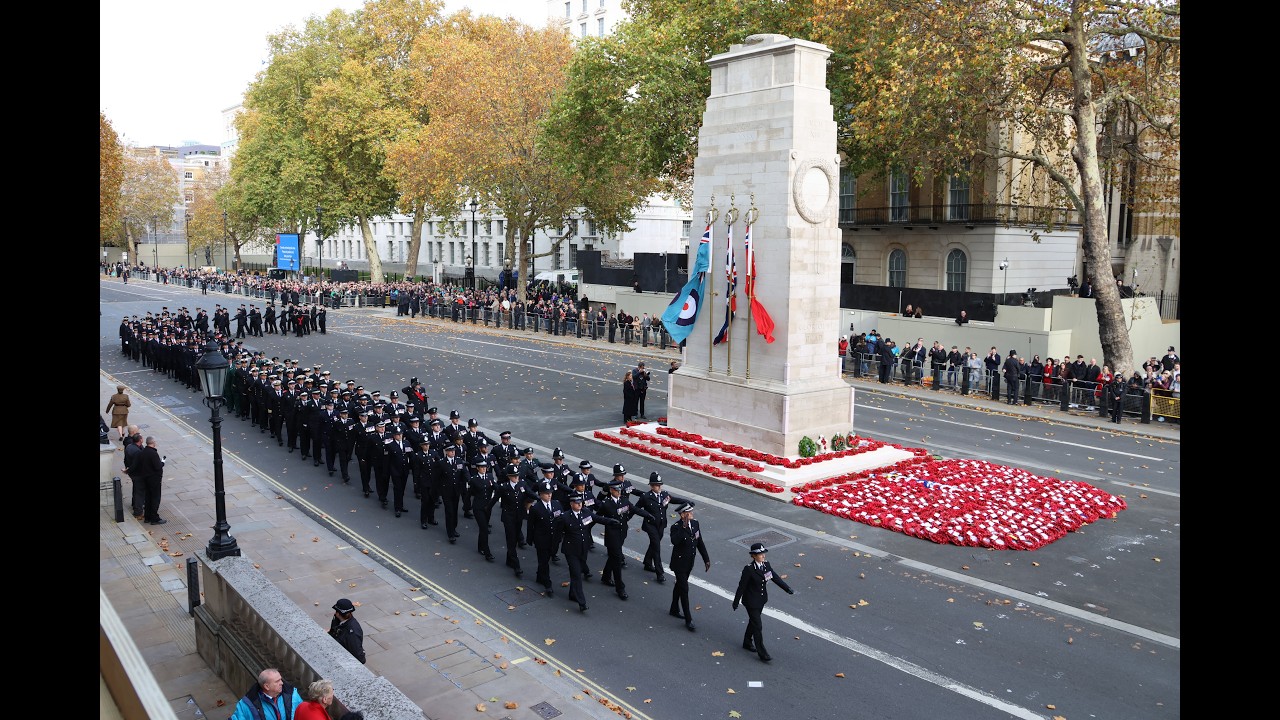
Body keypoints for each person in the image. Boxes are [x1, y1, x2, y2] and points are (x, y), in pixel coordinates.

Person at [732, 543, 794, 663]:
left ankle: (746, 642)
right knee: (758, 625)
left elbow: (774, 577)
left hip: (761, 600)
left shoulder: (766, 566)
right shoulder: (749, 569)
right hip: (750, 602)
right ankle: (762, 653)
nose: (763, 556)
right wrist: (736, 601)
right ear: (753, 556)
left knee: (753, 622)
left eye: (763, 553)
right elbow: (741, 587)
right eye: (760, 554)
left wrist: (787, 588)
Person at [556, 495, 618, 611]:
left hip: (583, 549)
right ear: (571, 504)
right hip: (571, 550)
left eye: (580, 502)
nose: (579, 504)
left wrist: (610, 522)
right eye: (576, 502)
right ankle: (581, 602)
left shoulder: (586, 512)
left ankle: (572, 594)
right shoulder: (565, 517)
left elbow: (598, 518)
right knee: (576, 575)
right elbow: (557, 533)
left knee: (577, 572)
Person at [668, 502, 710, 631]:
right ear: (682, 515)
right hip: (679, 564)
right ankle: (688, 619)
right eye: (689, 512)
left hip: (689, 562)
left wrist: (706, 559)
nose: (692, 514)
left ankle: (674, 608)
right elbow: (674, 541)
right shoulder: (676, 527)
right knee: (684, 589)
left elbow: (699, 542)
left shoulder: (695, 524)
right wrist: (683, 527)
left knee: (680, 585)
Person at [231, 668, 304, 720]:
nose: (282, 683)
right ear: (267, 686)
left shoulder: (292, 695)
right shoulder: (247, 704)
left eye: (280, 679)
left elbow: (303, 715)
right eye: (277, 681)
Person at [137, 436, 167, 525]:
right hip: (154, 480)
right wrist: (162, 462)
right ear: (153, 443)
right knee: (155, 499)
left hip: (145, 479)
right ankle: (154, 518)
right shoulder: (153, 453)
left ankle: (147, 517)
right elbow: (157, 466)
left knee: (148, 498)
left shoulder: (143, 452)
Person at [328, 598, 366, 664]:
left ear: (338, 614)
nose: (335, 613)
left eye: (336, 611)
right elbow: (333, 631)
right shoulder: (337, 619)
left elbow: (358, 655)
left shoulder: (352, 632)